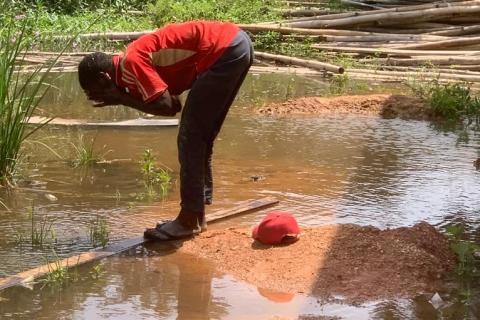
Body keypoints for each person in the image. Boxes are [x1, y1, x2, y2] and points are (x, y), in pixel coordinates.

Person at [77, 21, 254, 240]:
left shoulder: (131, 63)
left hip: (223, 50)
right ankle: (196, 216)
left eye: (96, 93)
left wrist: (121, 98)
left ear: (105, 79)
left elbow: (167, 107)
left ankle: (188, 219)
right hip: (234, 45)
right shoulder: (129, 67)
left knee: (190, 137)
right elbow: (175, 103)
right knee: (201, 136)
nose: (98, 99)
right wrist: (122, 96)